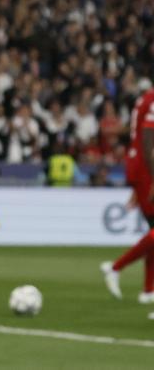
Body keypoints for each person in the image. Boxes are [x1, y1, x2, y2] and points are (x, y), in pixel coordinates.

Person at [100, 84, 154, 311]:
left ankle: (148, 290)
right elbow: (148, 138)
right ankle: (115, 267)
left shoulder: (146, 97)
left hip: (139, 166)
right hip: (145, 166)